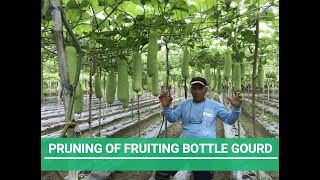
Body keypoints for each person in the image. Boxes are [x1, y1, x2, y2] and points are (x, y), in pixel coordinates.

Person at [154, 76, 242, 180]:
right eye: (194, 88)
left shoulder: (215, 105)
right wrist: (166, 107)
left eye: (200, 88)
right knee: (162, 172)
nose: (197, 91)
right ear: (190, 89)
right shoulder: (184, 104)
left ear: (206, 90)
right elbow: (172, 118)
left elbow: (229, 120)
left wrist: (236, 109)